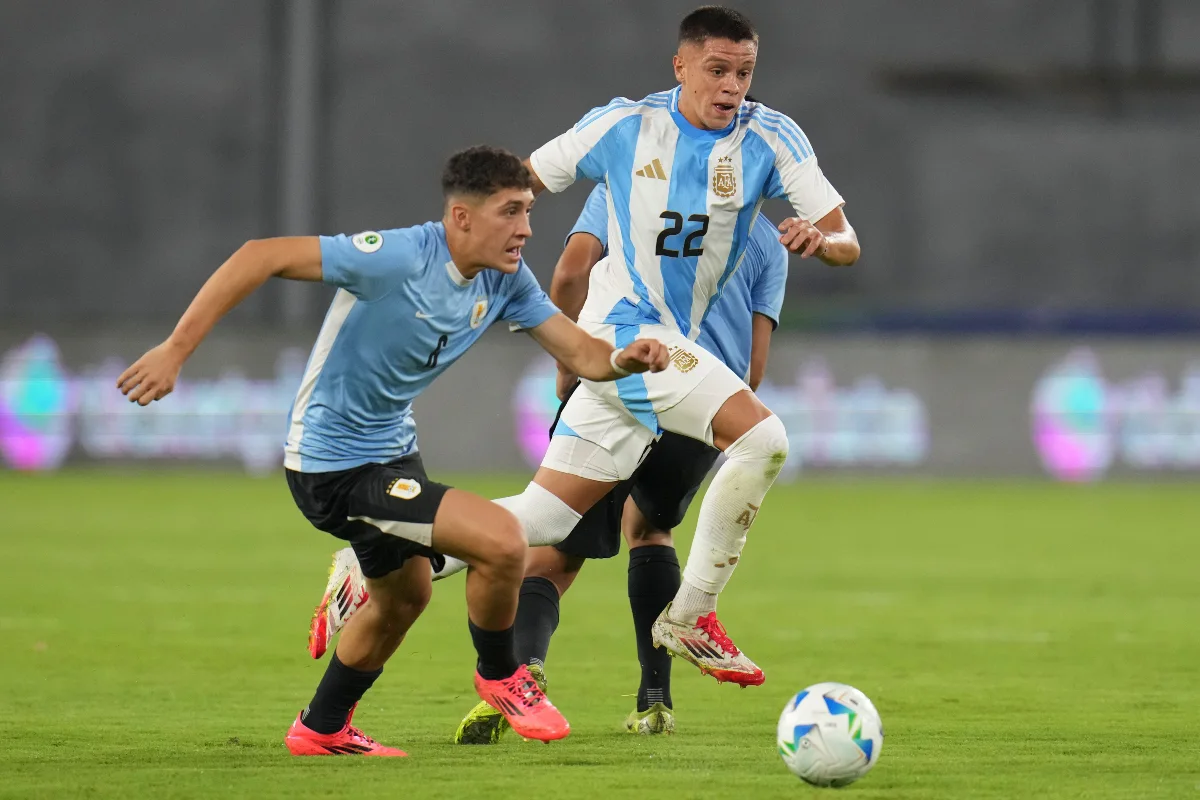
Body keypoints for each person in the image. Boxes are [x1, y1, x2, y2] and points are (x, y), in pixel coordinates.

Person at [115, 145, 669, 757]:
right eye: (510, 211)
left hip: (392, 453)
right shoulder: (397, 257)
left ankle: (321, 727)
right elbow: (260, 255)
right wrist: (175, 350)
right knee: (502, 541)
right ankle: (500, 674)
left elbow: (583, 354)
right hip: (331, 464)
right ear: (461, 216)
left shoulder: (506, 279)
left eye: (528, 211)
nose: (526, 229)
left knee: (405, 597)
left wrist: (624, 358)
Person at [432, 5, 860, 688]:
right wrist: (460, 246)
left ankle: (384, 550)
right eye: (716, 70)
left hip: (650, 351)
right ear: (680, 66)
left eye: (744, 73)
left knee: (545, 515)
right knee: (764, 439)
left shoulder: (770, 137)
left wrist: (822, 241)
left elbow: (846, 241)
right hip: (626, 331)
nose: (731, 87)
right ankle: (691, 615)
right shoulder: (625, 127)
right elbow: (523, 182)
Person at [306, 178, 788, 741]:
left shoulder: (627, 179)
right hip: (692, 393)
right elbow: (752, 368)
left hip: (613, 366)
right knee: (655, 528)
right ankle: (663, 677)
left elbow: (569, 272)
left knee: (551, 522)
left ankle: (376, 562)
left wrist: (571, 364)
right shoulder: (766, 240)